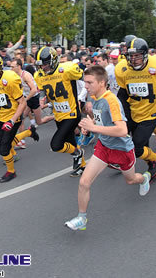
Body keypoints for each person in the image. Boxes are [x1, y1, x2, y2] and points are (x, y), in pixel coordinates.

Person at [64, 65, 151, 231]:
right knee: (84, 182)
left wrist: (94, 127)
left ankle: (144, 178)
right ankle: (82, 218)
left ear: (102, 82)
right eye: (84, 82)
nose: (86, 86)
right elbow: (102, 122)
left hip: (122, 150)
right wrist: (90, 125)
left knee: (131, 180)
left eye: (89, 82)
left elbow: (122, 130)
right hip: (104, 147)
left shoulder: (111, 100)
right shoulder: (95, 98)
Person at [115, 37, 156, 180]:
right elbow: (122, 94)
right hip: (134, 111)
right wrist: (122, 114)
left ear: (145, 54)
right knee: (138, 145)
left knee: (136, 147)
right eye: (131, 56)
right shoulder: (123, 69)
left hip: (152, 112)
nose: (133, 59)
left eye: (137, 55)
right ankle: (152, 164)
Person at [0, 53, 38, 183]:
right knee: (5, 141)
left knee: (4, 148)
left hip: (13, 117)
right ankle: (29, 132)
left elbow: (22, 103)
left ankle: (11, 172)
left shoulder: (10, 79)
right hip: (1, 117)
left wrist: (12, 121)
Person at [34, 47, 86, 177]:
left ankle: (79, 154)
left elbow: (86, 78)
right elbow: (42, 89)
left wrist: (87, 97)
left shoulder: (67, 69)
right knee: (70, 143)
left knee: (56, 144)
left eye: (45, 64)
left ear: (53, 61)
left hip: (72, 112)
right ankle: (82, 165)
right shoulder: (39, 75)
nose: (43, 68)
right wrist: (42, 97)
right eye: (41, 65)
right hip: (58, 113)